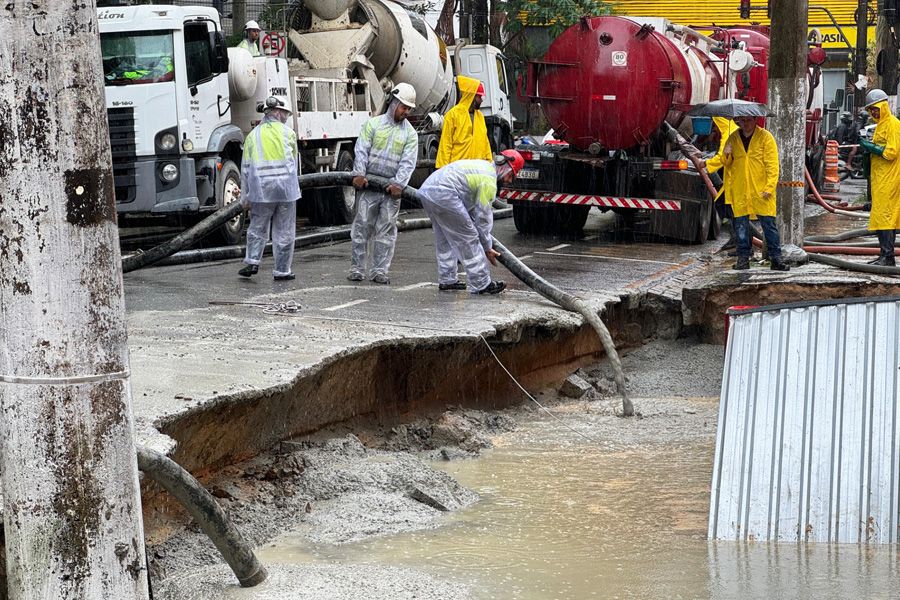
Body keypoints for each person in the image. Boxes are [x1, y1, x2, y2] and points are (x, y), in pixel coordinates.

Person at [418, 150, 524, 294]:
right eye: (510, 175)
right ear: (504, 166)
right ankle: (481, 283)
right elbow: (483, 218)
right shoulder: (489, 181)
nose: (509, 181)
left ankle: (447, 279)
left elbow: (472, 211)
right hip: (445, 193)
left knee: (445, 239)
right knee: (469, 238)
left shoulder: (482, 167)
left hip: (428, 191)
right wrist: (487, 246)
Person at [348, 83, 419, 285]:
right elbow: (361, 150)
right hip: (369, 186)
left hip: (391, 191)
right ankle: (357, 269)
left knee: (386, 231)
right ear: (393, 103)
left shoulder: (410, 135)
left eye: (409, 109)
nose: (406, 112)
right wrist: (359, 174)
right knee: (362, 227)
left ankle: (379, 271)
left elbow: (408, 162)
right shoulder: (373, 125)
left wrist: (399, 184)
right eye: (403, 107)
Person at [238, 96, 300, 280]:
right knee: (285, 230)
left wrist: (245, 197)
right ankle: (282, 270)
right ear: (279, 112)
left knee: (257, 227)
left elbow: (246, 168)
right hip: (285, 190)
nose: (286, 117)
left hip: (261, 190)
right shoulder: (289, 133)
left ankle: (251, 262)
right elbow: (294, 164)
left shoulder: (253, 135)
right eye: (286, 114)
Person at [720, 114, 790, 271]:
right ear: (738, 121)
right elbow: (726, 163)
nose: (745, 123)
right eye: (742, 120)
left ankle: (776, 259)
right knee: (741, 227)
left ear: (755, 120)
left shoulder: (765, 137)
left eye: (748, 120)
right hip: (740, 190)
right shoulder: (732, 138)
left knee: (769, 226)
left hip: (761, 190)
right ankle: (743, 259)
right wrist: (726, 153)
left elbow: (772, 165)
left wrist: (769, 187)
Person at [858, 88, 900, 266]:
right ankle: (884, 254)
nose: (873, 112)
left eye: (876, 108)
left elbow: (891, 152)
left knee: (885, 216)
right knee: (880, 216)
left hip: (889, 179)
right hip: (880, 179)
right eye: (871, 110)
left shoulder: (893, 125)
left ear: (883, 106)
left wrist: (872, 148)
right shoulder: (880, 126)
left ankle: (888, 257)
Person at [435, 76, 493, 168]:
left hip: (477, 170)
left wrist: (489, 162)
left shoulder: (480, 116)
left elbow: (485, 142)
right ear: (472, 96)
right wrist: (442, 169)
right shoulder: (453, 115)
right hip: (458, 170)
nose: (481, 100)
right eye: (479, 96)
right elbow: (446, 143)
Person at [701, 116, 739, 250]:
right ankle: (737, 239)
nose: (715, 130)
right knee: (727, 207)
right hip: (734, 178)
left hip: (735, 179)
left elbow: (721, 158)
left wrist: (706, 163)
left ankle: (738, 240)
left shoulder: (728, 134)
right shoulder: (733, 130)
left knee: (725, 206)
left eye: (715, 126)